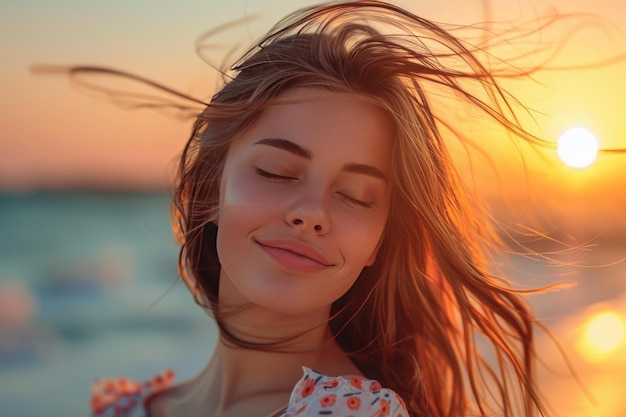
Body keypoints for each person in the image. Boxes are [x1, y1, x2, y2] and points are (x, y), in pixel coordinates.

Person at [85, 1, 579, 416]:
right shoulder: (124, 407)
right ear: (210, 191)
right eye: (277, 172)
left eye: (356, 196)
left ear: (378, 243)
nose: (312, 212)